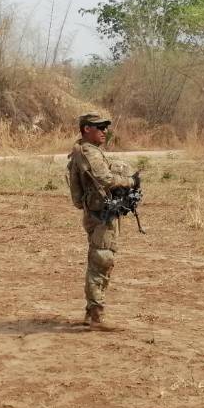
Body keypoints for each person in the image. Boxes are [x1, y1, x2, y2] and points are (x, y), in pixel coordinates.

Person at [65, 111, 137, 327]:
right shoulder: (90, 152)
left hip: (96, 213)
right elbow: (105, 179)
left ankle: (91, 313)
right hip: (101, 216)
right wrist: (130, 182)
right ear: (87, 129)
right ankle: (96, 315)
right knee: (101, 261)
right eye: (100, 127)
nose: (105, 131)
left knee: (99, 259)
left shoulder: (82, 150)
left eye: (106, 127)